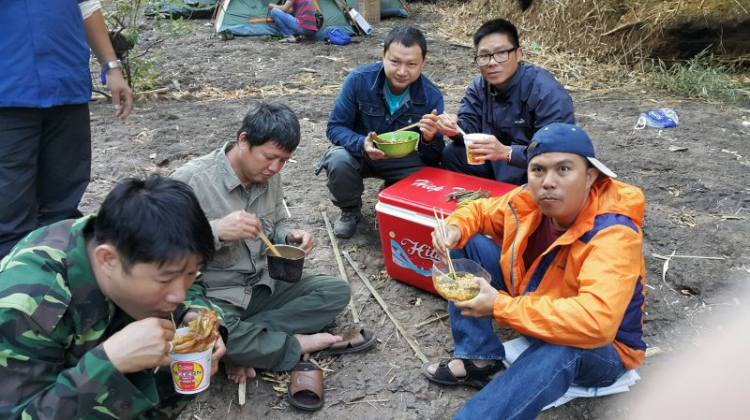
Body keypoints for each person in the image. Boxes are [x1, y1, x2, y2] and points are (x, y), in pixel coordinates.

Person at [421, 123, 646, 419]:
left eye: (564, 169)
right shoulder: (527, 200)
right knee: (462, 241)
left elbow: (596, 322)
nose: (548, 182)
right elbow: (478, 212)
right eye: (538, 169)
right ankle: (479, 359)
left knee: (567, 345)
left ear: (591, 175)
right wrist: (454, 227)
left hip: (604, 349)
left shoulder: (612, 232)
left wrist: (501, 306)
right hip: (538, 297)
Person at [171, 101, 373, 387]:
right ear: (243, 141)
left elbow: (276, 223)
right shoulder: (190, 182)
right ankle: (292, 345)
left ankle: (245, 344)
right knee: (200, 327)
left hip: (262, 287)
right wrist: (215, 230)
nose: (275, 168)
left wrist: (288, 236)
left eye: (284, 161)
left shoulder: (269, 176)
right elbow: (160, 251)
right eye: (270, 157)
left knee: (335, 291)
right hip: (216, 297)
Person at [0, 175, 227, 420]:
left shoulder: (148, 247)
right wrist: (108, 361)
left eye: (190, 273)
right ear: (107, 260)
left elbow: (193, 287)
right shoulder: (27, 306)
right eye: (164, 280)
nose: (179, 293)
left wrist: (193, 316)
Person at [0, 0, 134, 260]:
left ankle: (56, 285)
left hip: (67, 87)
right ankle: (13, 292)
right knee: (9, 211)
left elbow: (87, 7)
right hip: (8, 96)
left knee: (63, 204)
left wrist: (112, 67)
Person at [316, 25, 445, 239]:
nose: (402, 71)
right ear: (384, 55)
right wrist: (362, 144)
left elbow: (433, 158)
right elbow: (335, 127)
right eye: (395, 62)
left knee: (429, 177)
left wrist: (430, 138)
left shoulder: (430, 96)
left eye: (411, 64)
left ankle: (393, 196)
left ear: (423, 63)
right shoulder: (359, 80)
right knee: (337, 158)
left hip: (402, 159)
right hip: (361, 154)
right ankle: (350, 209)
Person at [437, 18, 574, 186]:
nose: (492, 62)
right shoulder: (479, 86)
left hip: (534, 171)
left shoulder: (546, 93)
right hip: (497, 165)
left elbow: (555, 152)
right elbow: (469, 129)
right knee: (453, 154)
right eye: (485, 56)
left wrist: (507, 152)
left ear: (518, 54)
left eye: (501, 53)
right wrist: (454, 128)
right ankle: (485, 201)